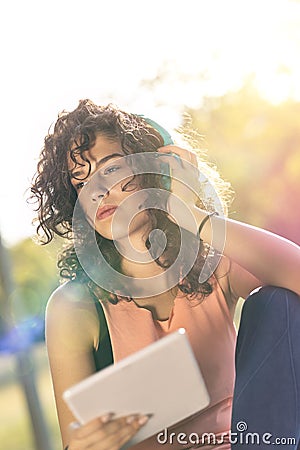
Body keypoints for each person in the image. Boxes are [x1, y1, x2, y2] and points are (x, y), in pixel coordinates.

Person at [31, 99, 300, 450]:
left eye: (112, 170)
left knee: (275, 301)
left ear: (158, 170)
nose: (96, 190)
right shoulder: (73, 307)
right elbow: (77, 443)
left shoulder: (213, 264)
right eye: (81, 183)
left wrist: (188, 212)